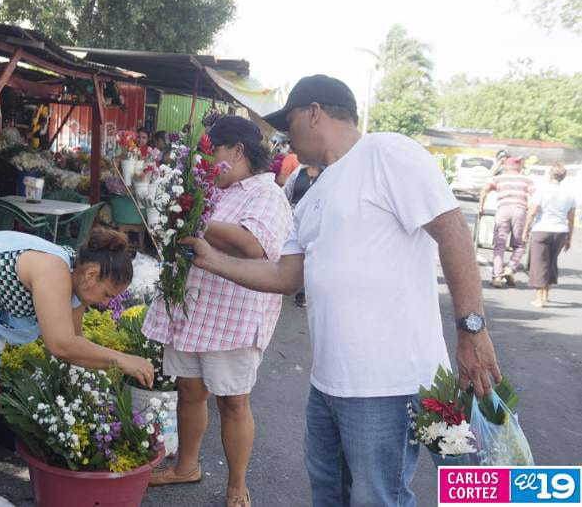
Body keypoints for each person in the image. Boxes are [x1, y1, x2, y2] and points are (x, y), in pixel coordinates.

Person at [183, 75, 502, 507]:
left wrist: (471, 328)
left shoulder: (387, 152)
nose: (285, 135)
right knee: (332, 495)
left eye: (289, 122)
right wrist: (211, 259)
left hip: (388, 384)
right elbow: (285, 277)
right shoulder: (315, 192)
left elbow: (451, 231)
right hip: (329, 388)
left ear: (315, 112)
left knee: (378, 498)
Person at [145, 116, 293, 507]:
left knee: (233, 401)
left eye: (213, 154)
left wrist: (193, 215)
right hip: (194, 307)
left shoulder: (266, 194)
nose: (208, 164)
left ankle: (236, 486)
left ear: (238, 152)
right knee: (190, 389)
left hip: (233, 316)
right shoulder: (214, 187)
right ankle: (186, 466)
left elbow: (254, 247)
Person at [0, 227, 154, 385]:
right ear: (91, 274)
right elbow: (60, 345)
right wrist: (122, 360)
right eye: (108, 294)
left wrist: (96, 383)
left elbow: (75, 340)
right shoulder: (55, 271)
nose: (106, 304)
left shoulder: (76, 274)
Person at [524, 164, 576, 307]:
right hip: (560, 231)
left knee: (539, 263)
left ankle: (539, 299)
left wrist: (525, 230)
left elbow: (532, 212)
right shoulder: (570, 195)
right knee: (551, 262)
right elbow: (571, 219)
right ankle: (546, 295)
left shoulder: (542, 191)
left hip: (541, 229)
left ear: (549, 175)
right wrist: (569, 238)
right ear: (563, 177)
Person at [478, 156, 535, 288]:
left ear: (506, 167)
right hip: (520, 211)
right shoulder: (526, 180)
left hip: (503, 210)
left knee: (499, 245)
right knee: (520, 245)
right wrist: (530, 208)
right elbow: (535, 197)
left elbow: (484, 189)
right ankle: (510, 268)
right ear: (519, 167)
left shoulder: (499, 178)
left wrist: (481, 206)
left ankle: (497, 276)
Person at [282, 162, 324, 307]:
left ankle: (302, 292)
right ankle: (285, 280)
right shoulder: (299, 172)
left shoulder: (326, 175)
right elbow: (286, 191)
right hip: (293, 218)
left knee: (309, 255)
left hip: (314, 220)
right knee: (290, 250)